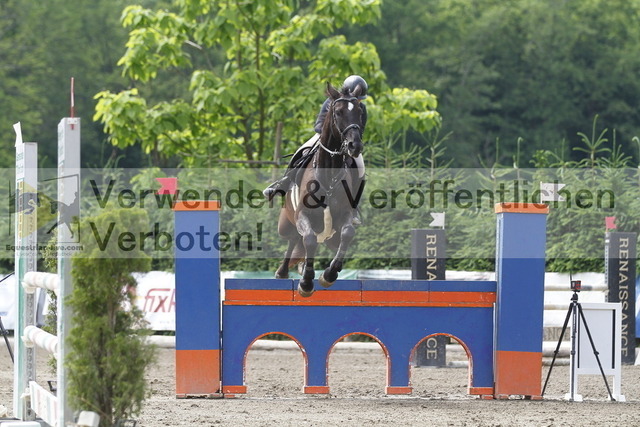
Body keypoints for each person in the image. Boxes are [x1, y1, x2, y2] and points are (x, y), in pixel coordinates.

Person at [263, 75, 368, 201]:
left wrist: (351, 140)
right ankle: (283, 184)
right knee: (302, 151)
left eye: (360, 99)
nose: (359, 101)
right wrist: (328, 134)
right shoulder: (331, 102)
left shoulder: (360, 108)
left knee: (360, 167)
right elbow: (319, 123)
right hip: (324, 137)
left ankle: (354, 202)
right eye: (358, 98)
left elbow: (360, 130)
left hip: (346, 141)